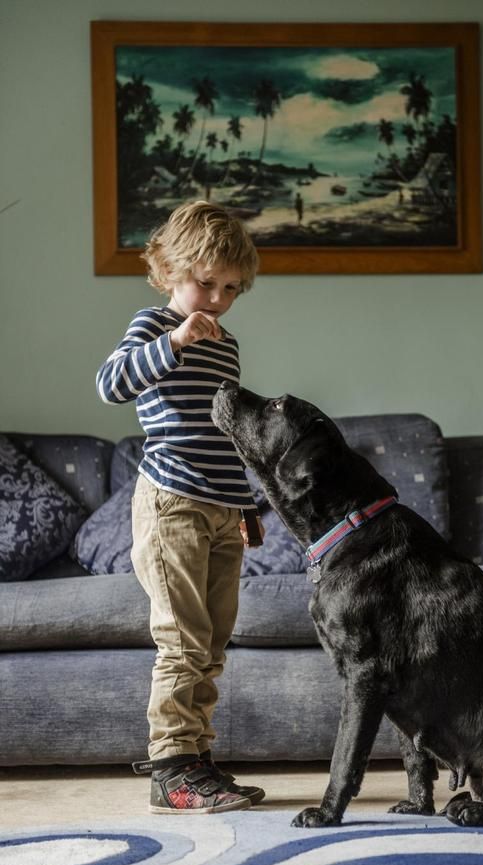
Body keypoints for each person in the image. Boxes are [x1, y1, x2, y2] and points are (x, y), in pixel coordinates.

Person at [96, 200, 265, 814]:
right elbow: (111, 384)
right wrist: (172, 339)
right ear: (169, 270)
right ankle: (170, 768)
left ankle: (198, 763)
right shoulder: (150, 326)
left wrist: (246, 507)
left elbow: (229, 433)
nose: (216, 299)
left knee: (213, 642)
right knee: (183, 639)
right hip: (171, 503)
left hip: (221, 506)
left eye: (230, 288)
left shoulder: (227, 346)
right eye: (204, 283)